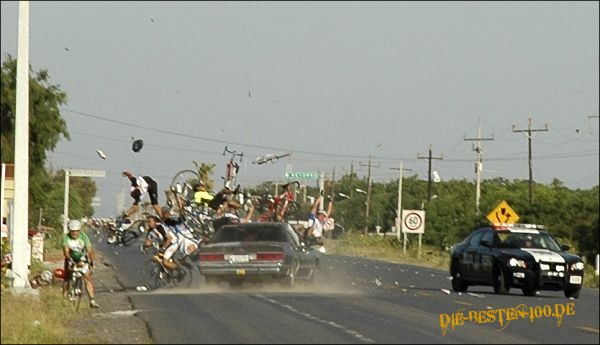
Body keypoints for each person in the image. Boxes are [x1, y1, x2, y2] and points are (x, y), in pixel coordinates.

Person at [62, 219, 100, 308]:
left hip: (82, 258)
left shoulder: (84, 237)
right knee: (67, 278)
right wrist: (69, 258)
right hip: (70, 258)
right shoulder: (66, 238)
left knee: (87, 278)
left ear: (79, 230)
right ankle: (64, 299)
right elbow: (66, 251)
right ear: (69, 231)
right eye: (72, 232)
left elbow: (90, 250)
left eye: (76, 231)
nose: (74, 234)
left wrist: (91, 262)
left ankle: (92, 300)